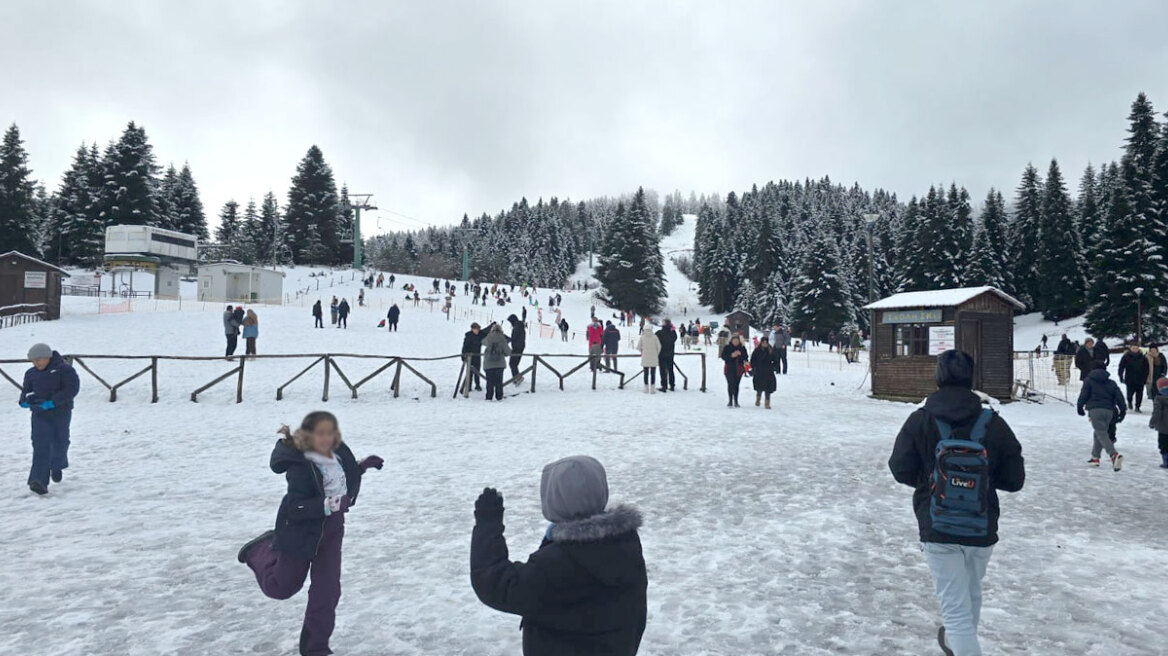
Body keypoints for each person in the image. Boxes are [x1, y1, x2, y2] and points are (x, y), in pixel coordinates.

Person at [888, 350, 1025, 656]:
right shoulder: (993, 423)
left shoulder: (920, 419)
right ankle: (953, 643)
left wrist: (932, 484)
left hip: (937, 525)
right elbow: (1015, 479)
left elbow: (899, 467)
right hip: (981, 524)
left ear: (938, 377)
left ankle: (958, 643)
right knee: (970, 594)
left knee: (955, 610)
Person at [237, 411, 383, 656]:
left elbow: (345, 477)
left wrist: (362, 466)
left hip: (332, 530)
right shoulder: (300, 466)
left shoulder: (338, 453)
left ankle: (316, 648)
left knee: (327, 590)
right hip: (300, 530)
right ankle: (258, 550)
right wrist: (328, 505)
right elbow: (295, 507)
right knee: (282, 587)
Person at [470, 456, 647, 656]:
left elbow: (496, 583)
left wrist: (487, 525)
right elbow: (636, 614)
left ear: (554, 501)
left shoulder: (553, 564)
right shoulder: (626, 543)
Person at [18, 343, 80, 495]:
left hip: (61, 413)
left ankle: (57, 465)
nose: (36, 363)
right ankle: (38, 481)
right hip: (39, 414)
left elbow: (72, 389)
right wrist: (24, 401)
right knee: (41, 445)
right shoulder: (31, 373)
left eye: (38, 359)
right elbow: (26, 390)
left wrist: (53, 402)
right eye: (33, 361)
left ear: (48, 357)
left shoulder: (64, 370)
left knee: (60, 442)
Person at [1077, 363, 1126, 470]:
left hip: (1095, 410)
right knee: (1099, 432)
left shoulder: (1088, 381)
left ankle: (1113, 455)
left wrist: (1080, 406)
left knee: (1101, 433)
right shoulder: (1111, 383)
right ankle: (1095, 458)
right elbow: (1119, 396)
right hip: (1109, 411)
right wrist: (1123, 410)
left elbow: (1084, 394)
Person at [482, 323, 512, 401]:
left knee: (489, 381)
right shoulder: (502, 338)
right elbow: (508, 352)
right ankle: (499, 396)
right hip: (499, 364)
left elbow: (483, 342)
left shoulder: (488, 337)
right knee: (499, 381)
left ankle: (489, 396)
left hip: (488, 363)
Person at [1117, 343, 1149, 412]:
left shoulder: (1143, 357)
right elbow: (1121, 367)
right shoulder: (1126, 356)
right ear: (1130, 348)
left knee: (1139, 394)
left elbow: (1146, 368)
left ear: (1138, 349)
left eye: (1136, 348)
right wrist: (1121, 376)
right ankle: (1129, 402)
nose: (1135, 349)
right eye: (1133, 348)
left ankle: (1137, 407)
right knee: (1130, 393)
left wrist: (1145, 378)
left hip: (1140, 379)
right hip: (1130, 378)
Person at [721, 334, 748, 408]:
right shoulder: (727, 347)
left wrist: (740, 355)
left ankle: (736, 401)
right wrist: (731, 355)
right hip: (729, 369)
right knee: (730, 384)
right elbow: (723, 356)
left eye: (737, 341)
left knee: (736, 385)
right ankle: (730, 401)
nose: (736, 342)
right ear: (731, 341)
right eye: (734, 341)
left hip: (739, 369)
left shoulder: (742, 348)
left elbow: (746, 357)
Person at [750, 336, 777, 409]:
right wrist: (754, 367)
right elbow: (752, 360)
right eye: (763, 342)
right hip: (759, 371)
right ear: (761, 343)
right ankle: (758, 399)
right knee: (759, 387)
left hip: (768, 372)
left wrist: (773, 367)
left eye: (766, 343)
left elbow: (775, 360)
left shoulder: (770, 350)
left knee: (768, 388)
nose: (765, 344)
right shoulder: (757, 350)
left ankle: (767, 402)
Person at [1149, 378, 1168, 469]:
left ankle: (1166, 462)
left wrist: (1152, 423)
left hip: (1164, 427)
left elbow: (1157, 412)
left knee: (1163, 444)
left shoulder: (1159, 398)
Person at [656, 320, 678, 393]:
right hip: (670, 353)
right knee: (670, 370)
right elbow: (675, 338)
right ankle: (672, 385)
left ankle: (664, 386)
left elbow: (655, 339)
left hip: (661, 353)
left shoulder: (660, 333)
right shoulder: (673, 333)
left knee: (663, 370)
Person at [462, 323, 484, 392]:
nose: (477, 331)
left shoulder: (480, 335)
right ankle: (469, 386)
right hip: (470, 357)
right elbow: (464, 347)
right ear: (472, 329)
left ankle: (477, 385)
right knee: (469, 372)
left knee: (477, 371)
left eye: (478, 329)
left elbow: (486, 332)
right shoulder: (468, 336)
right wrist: (463, 356)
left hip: (477, 356)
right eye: (476, 329)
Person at [639, 325, 661, 394]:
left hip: (645, 357)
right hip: (653, 357)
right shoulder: (655, 337)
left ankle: (646, 388)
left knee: (646, 373)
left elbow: (638, 347)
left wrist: (642, 351)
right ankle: (652, 388)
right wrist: (656, 353)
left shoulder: (642, 337)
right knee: (653, 373)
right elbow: (659, 347)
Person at [507, 314, 526, 384]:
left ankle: (518, 378)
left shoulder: (517, 327)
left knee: (512, 363)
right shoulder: (519, 326)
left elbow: (514, 337)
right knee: (514, 363)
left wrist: (508, 339)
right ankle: (517, 377)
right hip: (519, 347)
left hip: (517, 348)